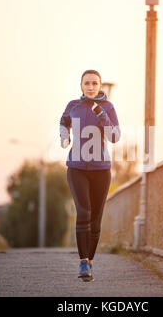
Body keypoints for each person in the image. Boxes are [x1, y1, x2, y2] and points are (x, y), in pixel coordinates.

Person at [59, 69, 121, 282]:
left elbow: (115, 136)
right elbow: (64, 120)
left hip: (101, 170)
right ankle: (83, 262)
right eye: (87, 83)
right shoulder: (73, 106)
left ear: (100, 86)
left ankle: (90, 262)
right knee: (83, 212)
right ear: (81, 86)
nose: (91, 87)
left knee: (95, 219)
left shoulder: (108, 107)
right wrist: (64, 135)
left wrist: (100, 114)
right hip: (76, 168)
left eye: (95, 83)